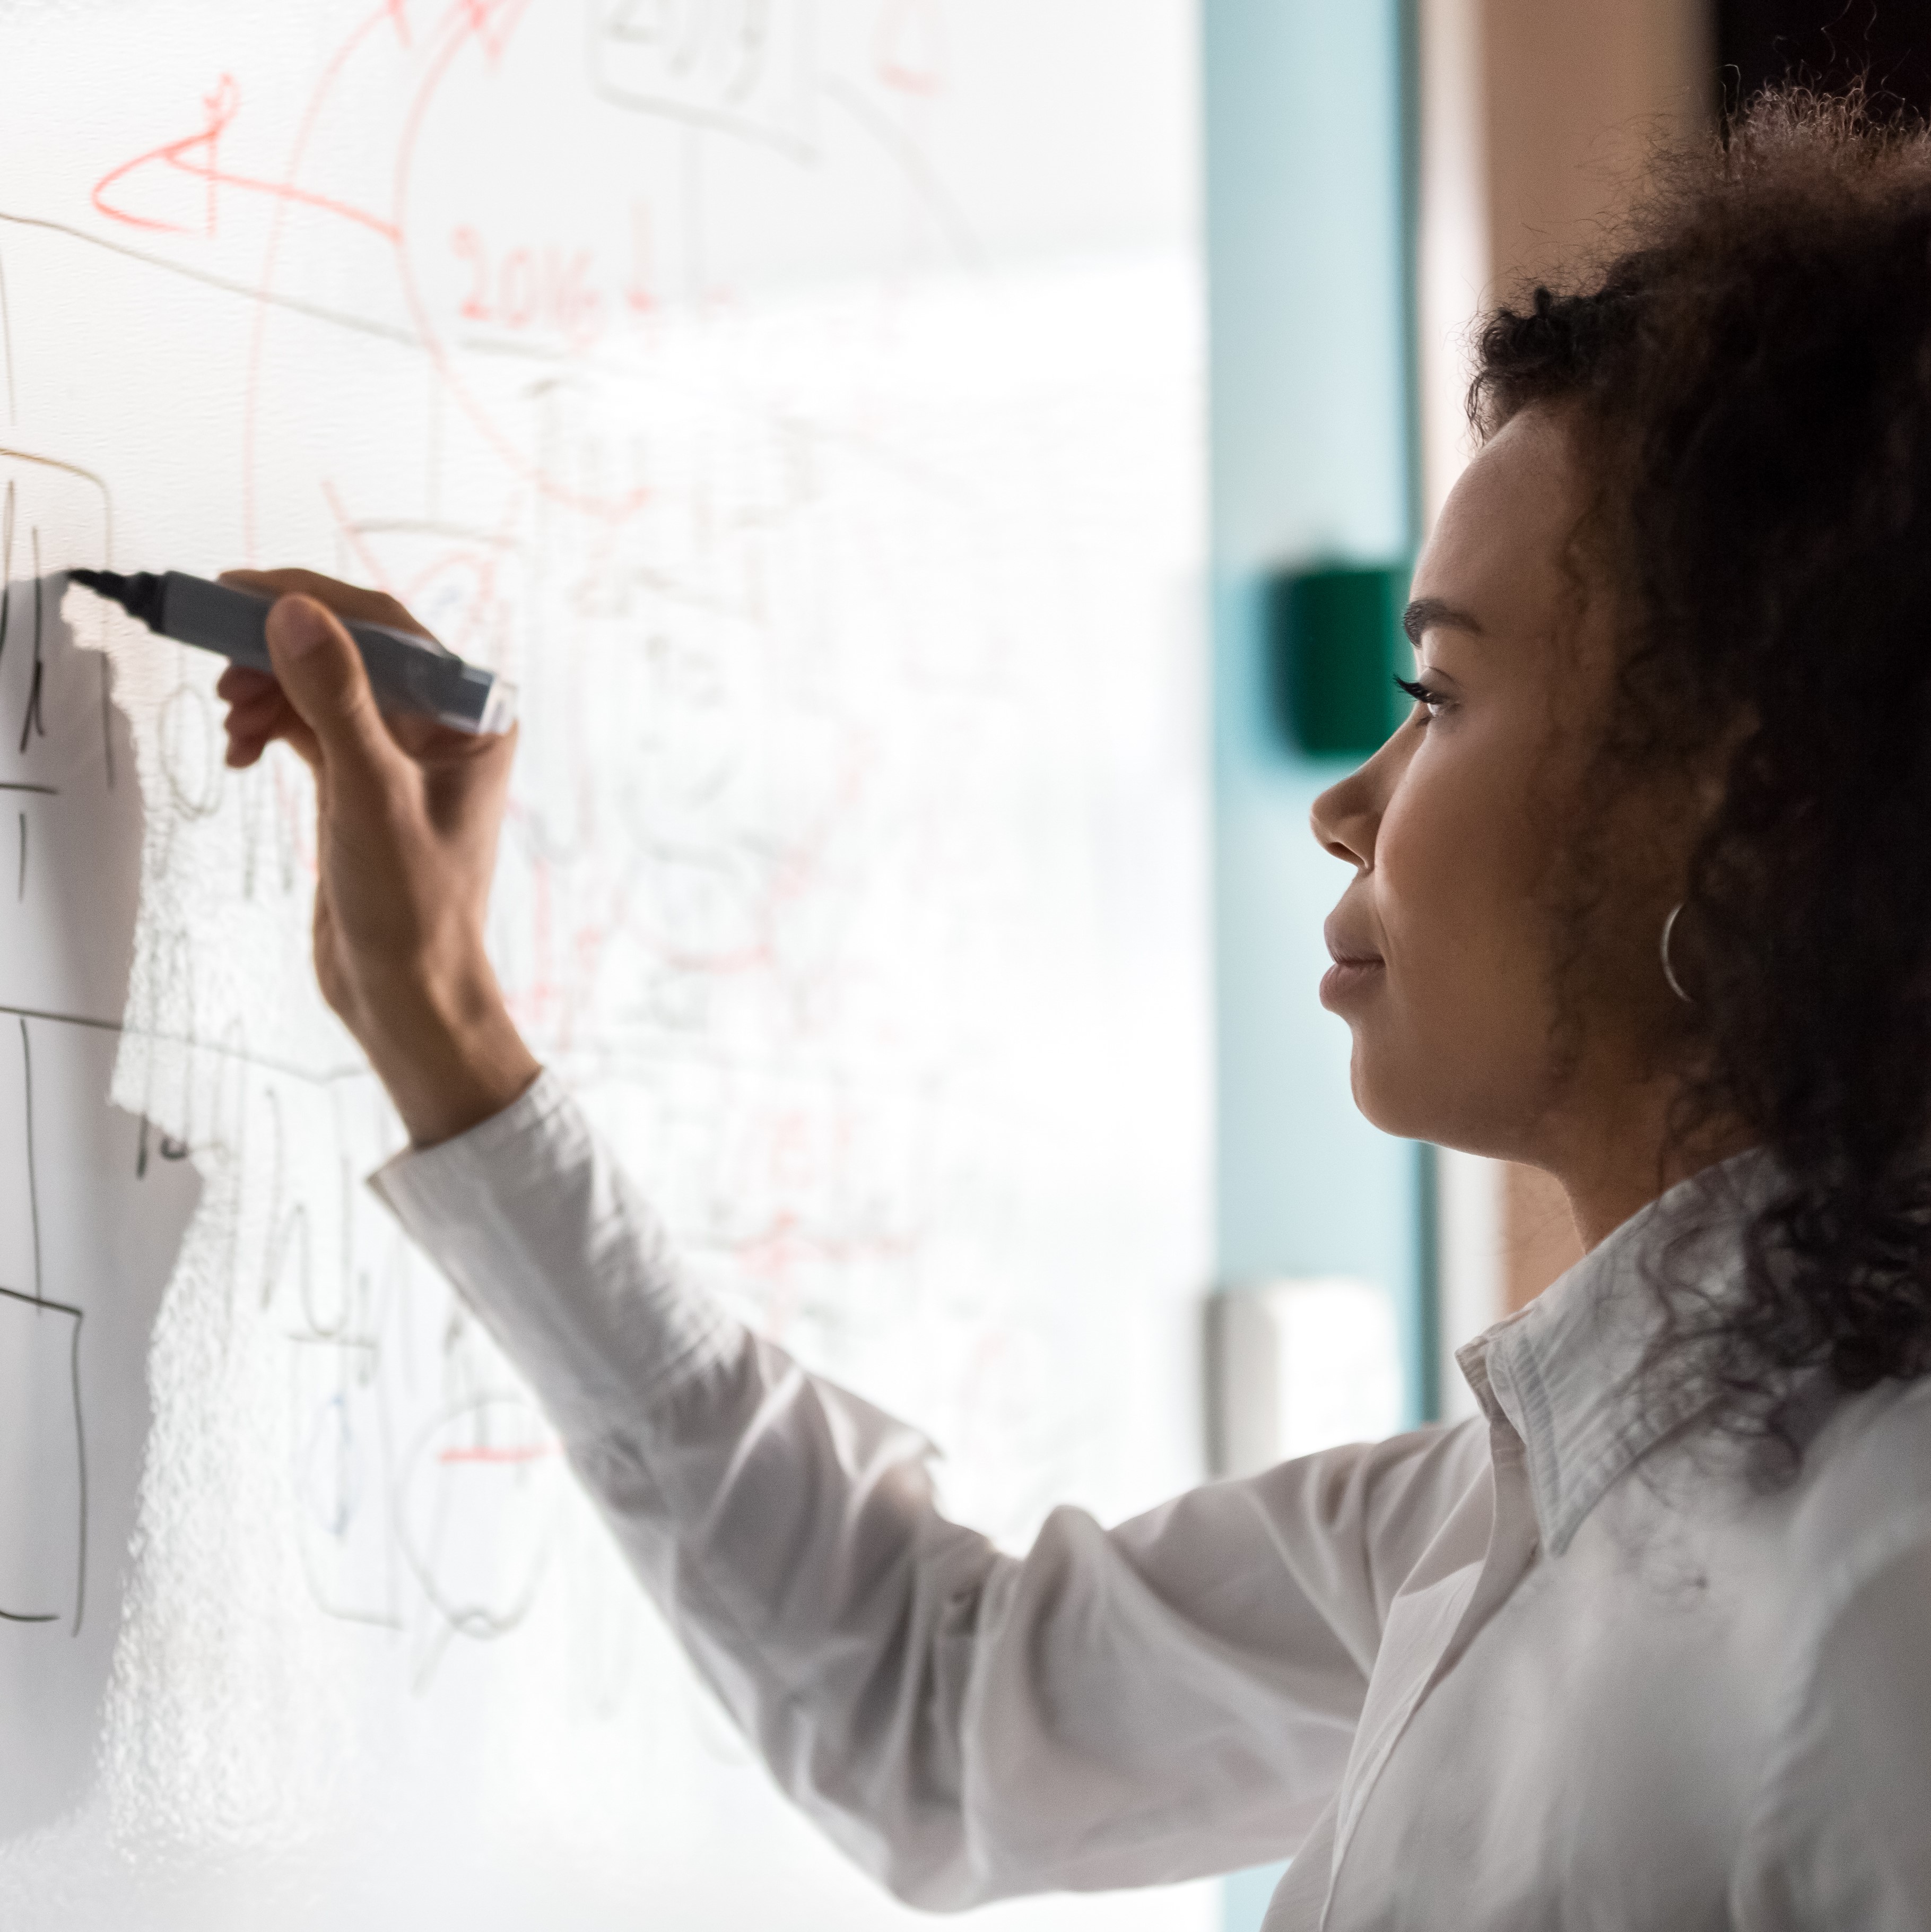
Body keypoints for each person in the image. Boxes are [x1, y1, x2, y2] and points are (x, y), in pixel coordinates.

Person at [214, 93, 1931, 1929]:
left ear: (1752, 808)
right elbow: (936, 1694)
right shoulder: (1503, 1508)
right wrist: (446, 1025)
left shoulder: (1879, 1583)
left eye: (1435, 693)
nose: (1346, 802)